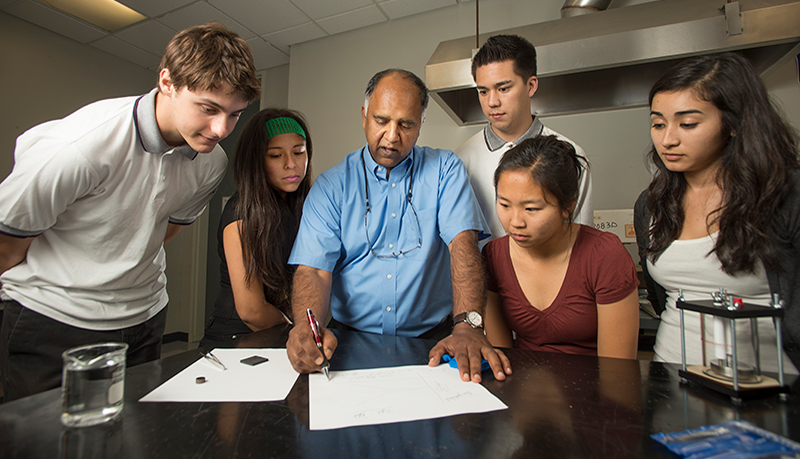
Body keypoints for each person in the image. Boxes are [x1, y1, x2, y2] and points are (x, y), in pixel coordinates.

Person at [0, 22, 261, 401]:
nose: (221, 128)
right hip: (54, 321)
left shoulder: (211, 163)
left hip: (144, 319)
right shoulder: (79, 147)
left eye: (235, 114)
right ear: (167, 82)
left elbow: (164, 230)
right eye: (208, 108)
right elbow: (7, 247)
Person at [286, 69, 512, 383]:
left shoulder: (445, 170)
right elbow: (313, 270)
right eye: (382, 121)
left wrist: (468, 326)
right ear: (364, 116)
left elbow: (463, 246)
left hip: (432, 342)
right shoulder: (330, 186)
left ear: (420, 126)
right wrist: (303, 328)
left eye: (406, 124)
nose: (392, 136)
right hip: (349, 342)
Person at [634, 52, 800, 373]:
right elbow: (662, 299)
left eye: (688, 123)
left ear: (734, 124)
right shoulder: (652, 203)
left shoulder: (785, 194)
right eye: (658, 123)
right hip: (672, 382)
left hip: (768, 385)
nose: (667, 139)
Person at [483, 136, 639, 358]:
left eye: (532, 209)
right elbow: (503, 357)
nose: (515, 221)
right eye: (504, 204)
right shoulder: (493, 256)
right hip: (521, 385)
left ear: (567, 206)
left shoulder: (604, 255)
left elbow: (616, 372)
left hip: (593, 387)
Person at [455, 34, 593, 246]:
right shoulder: (460, 161)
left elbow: (582, 241)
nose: (492, 102)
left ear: (531, 86)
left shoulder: (571, 155)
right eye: (483, 91)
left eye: (503, 89)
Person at [201, 109, 313, 348]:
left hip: (281, 335)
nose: (291, 164)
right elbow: (251, 311)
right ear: (256, 161)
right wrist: (298, 331)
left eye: (299, 152)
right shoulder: (240, 213)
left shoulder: (307, 206)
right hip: (235, 340)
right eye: (275, 155)